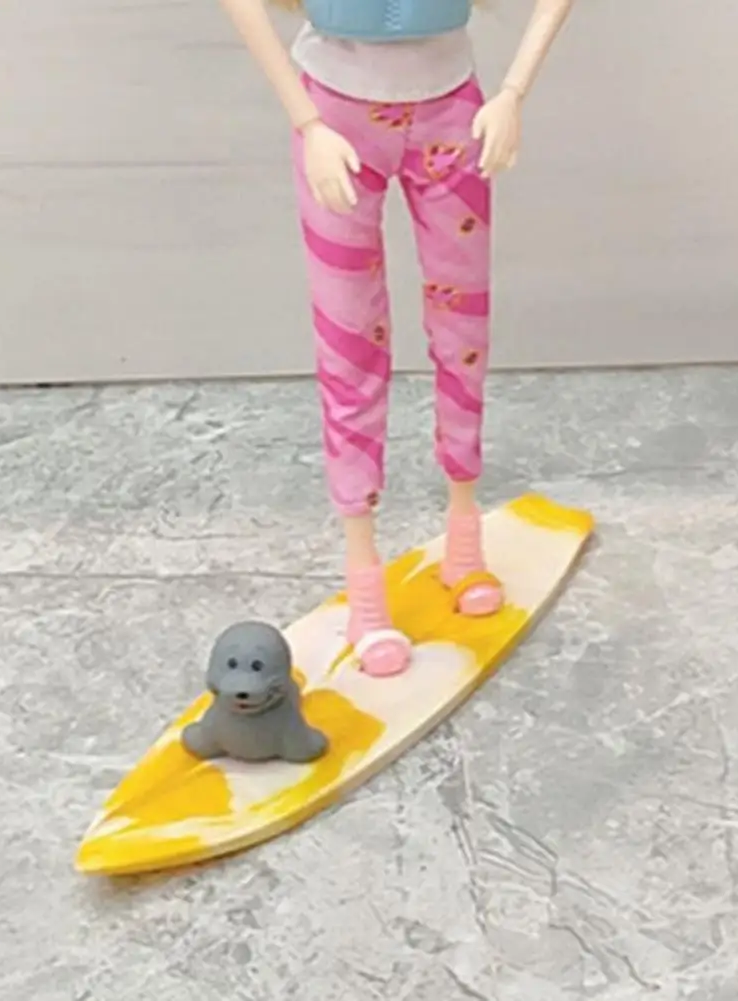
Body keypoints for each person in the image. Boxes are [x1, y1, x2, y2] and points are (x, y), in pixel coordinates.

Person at [217, 0, 575, 676]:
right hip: (335, 114)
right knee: (347, 338)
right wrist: (307, 121)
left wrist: (512, 92)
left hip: (453, 110)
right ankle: (364, 579)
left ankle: (463, 537)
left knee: (463, 325)